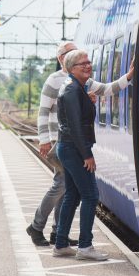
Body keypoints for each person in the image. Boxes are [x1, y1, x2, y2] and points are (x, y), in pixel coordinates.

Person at [26, 41, 133, 247]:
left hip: (71, 141)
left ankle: (58, 232)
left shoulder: (81, 80)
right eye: (72, 54)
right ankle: (38, 226)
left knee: (68, 187)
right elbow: (43, 111)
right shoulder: (54, 80)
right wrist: (45, 139)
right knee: (62, 185)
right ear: (62, 59)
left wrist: (128, 77)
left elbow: (107, 89)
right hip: (61, 140)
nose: (79, 58)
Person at [53, 49, 108, 261]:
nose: (87, 66)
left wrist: (89, 102)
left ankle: (61, 243)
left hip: (68, 147)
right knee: (90, 195)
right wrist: (87, 155)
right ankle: (85, 246)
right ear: (70, 68)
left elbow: (77, 118)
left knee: (73, 195)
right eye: (82, 64)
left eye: (88, 62)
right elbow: (75, 126)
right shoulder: (72, 90)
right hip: (74, 148)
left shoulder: (74, 87)